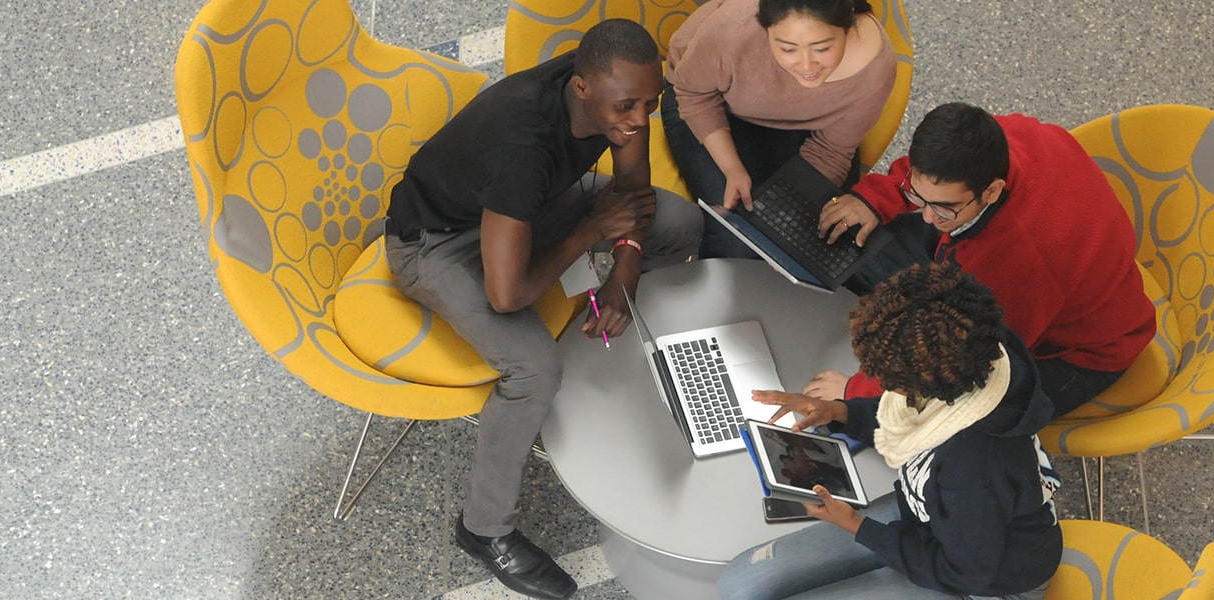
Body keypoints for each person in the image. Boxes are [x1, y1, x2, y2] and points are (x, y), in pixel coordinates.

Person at [382, 19, 700, 600]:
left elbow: (634, 192)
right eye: (627, 106)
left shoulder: (611, 91)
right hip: (434, 242)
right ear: (582, 91)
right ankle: (483, 529)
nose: (638, 121)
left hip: (523, 212)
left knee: (679, 224)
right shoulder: (522, 145)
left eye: (650, 105)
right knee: (533, 368)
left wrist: (625, 269)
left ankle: (628, 343)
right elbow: (508, 295)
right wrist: (589, 234)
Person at [720, 263, 1063, 600]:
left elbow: (963, 571)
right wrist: (839, 410)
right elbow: (903, 416)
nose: (882, 386)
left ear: (929, 383)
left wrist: (857, 526)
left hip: (986, 582)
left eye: (894, 382)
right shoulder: (968, 362)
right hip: (933, 519)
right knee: (741, 584)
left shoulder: (976, 465)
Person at [813, 102, 1154, 418]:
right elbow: (926, 175)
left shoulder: (1018, 263)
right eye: (921, 198)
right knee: (861, 239)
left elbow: (965, 357)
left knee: (956, 417)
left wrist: (855, 392)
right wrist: (877, 198)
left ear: (991, 190)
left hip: (1078, 353)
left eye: (944, 208)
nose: (928, 217)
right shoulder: (995, 140)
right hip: (1029, 272)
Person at [662, 0, 897, 257]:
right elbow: (693, 94)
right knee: (737, 236)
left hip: (803, 123)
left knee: (818, 237)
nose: (807, 66)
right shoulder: (732, 30)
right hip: (709, 103)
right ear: (765, 29)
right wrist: (732, 169)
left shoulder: (875, 68)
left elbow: (832, 150)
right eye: (788, 48)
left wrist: (784, 224)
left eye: (822, 48)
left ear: (847, 26)